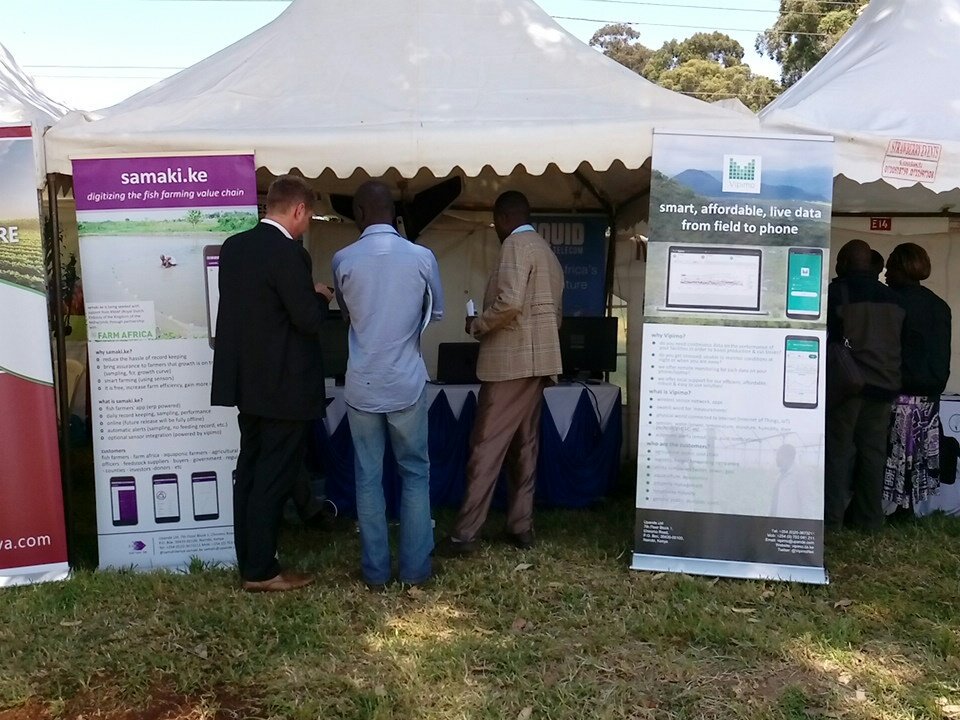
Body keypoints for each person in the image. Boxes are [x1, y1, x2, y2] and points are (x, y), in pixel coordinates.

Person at [211, 175, 332, 592]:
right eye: (310, 216)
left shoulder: (234, 247)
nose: (308, 224)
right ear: (298, 210)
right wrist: (319, 295)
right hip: (284, 387)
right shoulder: (289, 254)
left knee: (248, 472)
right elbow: (306, 320)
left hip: (247, 384)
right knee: (273, 478)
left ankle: (250, 562)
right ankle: (262, 570)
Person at [332, 180, 444, 589]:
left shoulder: (342, 259)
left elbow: (347, 315)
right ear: (394, 213)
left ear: (359, 214)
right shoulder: (423, 257)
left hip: (361, 384)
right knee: (415, 473)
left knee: (368, 476)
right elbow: (436, 312)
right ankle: (415, 572)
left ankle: (375, 573)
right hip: (407, 383)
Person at [438, 190, 564, 555]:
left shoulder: (514, 245)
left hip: (510, 363)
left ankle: (464, 534)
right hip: (538, 362)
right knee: (525, 445)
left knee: (485, 447)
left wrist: (478, 323)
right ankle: (520, 526)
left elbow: (509, 301)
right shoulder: (547, 252)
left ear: (503, 218)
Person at [824, 239, 904, 531]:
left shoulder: (836, 292)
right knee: (873, 455)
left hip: (848, 387)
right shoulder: (893, 298)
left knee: (838, 453)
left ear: (844, 263)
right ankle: (869, 519)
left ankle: (831, 520)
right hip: (884, 386)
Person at [883, 243, 951, 513]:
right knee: (919, 453)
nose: (886, 273)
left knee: (896, 453)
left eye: (891, 266)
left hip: (900, 389)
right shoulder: (939, 305)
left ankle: (897, 506)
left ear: (903, 267)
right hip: (930, 391)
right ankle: (909, 507)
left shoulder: (892, 302)